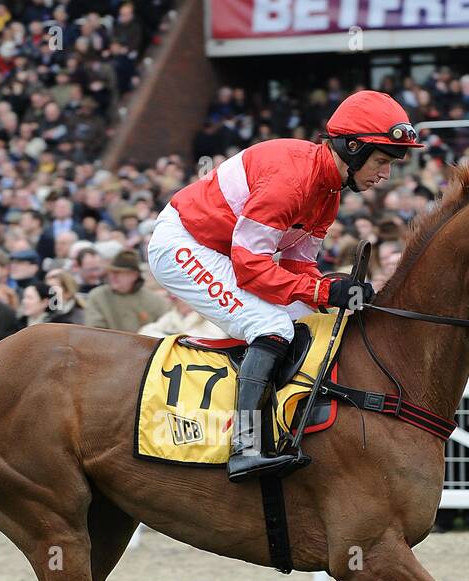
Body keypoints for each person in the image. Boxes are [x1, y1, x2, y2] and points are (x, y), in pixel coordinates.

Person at [146, 89, 424, 480]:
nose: (385, 174)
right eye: (381, 161)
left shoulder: (328, 192)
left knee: (314, 319)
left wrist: (333, 290)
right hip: (185, 245)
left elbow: (296, 265)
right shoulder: (292, 181)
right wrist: (324, 291)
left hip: (228, 252)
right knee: (272, 326)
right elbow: (250, 267)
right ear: (354, 148)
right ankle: (244, 445)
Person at [84, 249, 167, 333]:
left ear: (134, 275)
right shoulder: (98, 297)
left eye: (118, 272)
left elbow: (166, 329)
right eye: (111, 272)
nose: (113, 276)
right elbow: (94, 332)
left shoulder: (154, 300)